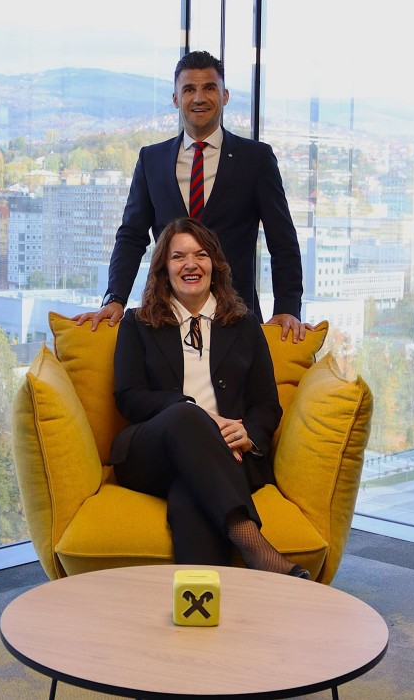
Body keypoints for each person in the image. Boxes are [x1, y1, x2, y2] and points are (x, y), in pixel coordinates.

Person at [110, 217, 310, 578]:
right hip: (151, 453)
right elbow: (129, 397)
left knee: (190, 496)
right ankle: (255, 546)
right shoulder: (136, 323)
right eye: (178, 256)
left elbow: (266, 404)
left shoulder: (245, 325)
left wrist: (249, 434)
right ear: (163, 268)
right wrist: (195, 414)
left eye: (200, 255)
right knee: (186, 413)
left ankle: (203, 605)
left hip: (229, 455)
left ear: (215, 264)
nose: (191, 264)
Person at [75, 50, 307, 342]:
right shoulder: (151, 160)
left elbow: (282, 240)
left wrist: (287, 308)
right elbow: (131, 236)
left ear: (224, 96)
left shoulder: (256, 159)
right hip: (164, 317)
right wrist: (115, 298)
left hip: (236, 318)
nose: (199, 98)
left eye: (209, 88)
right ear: (176, 99)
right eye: (188, 90)